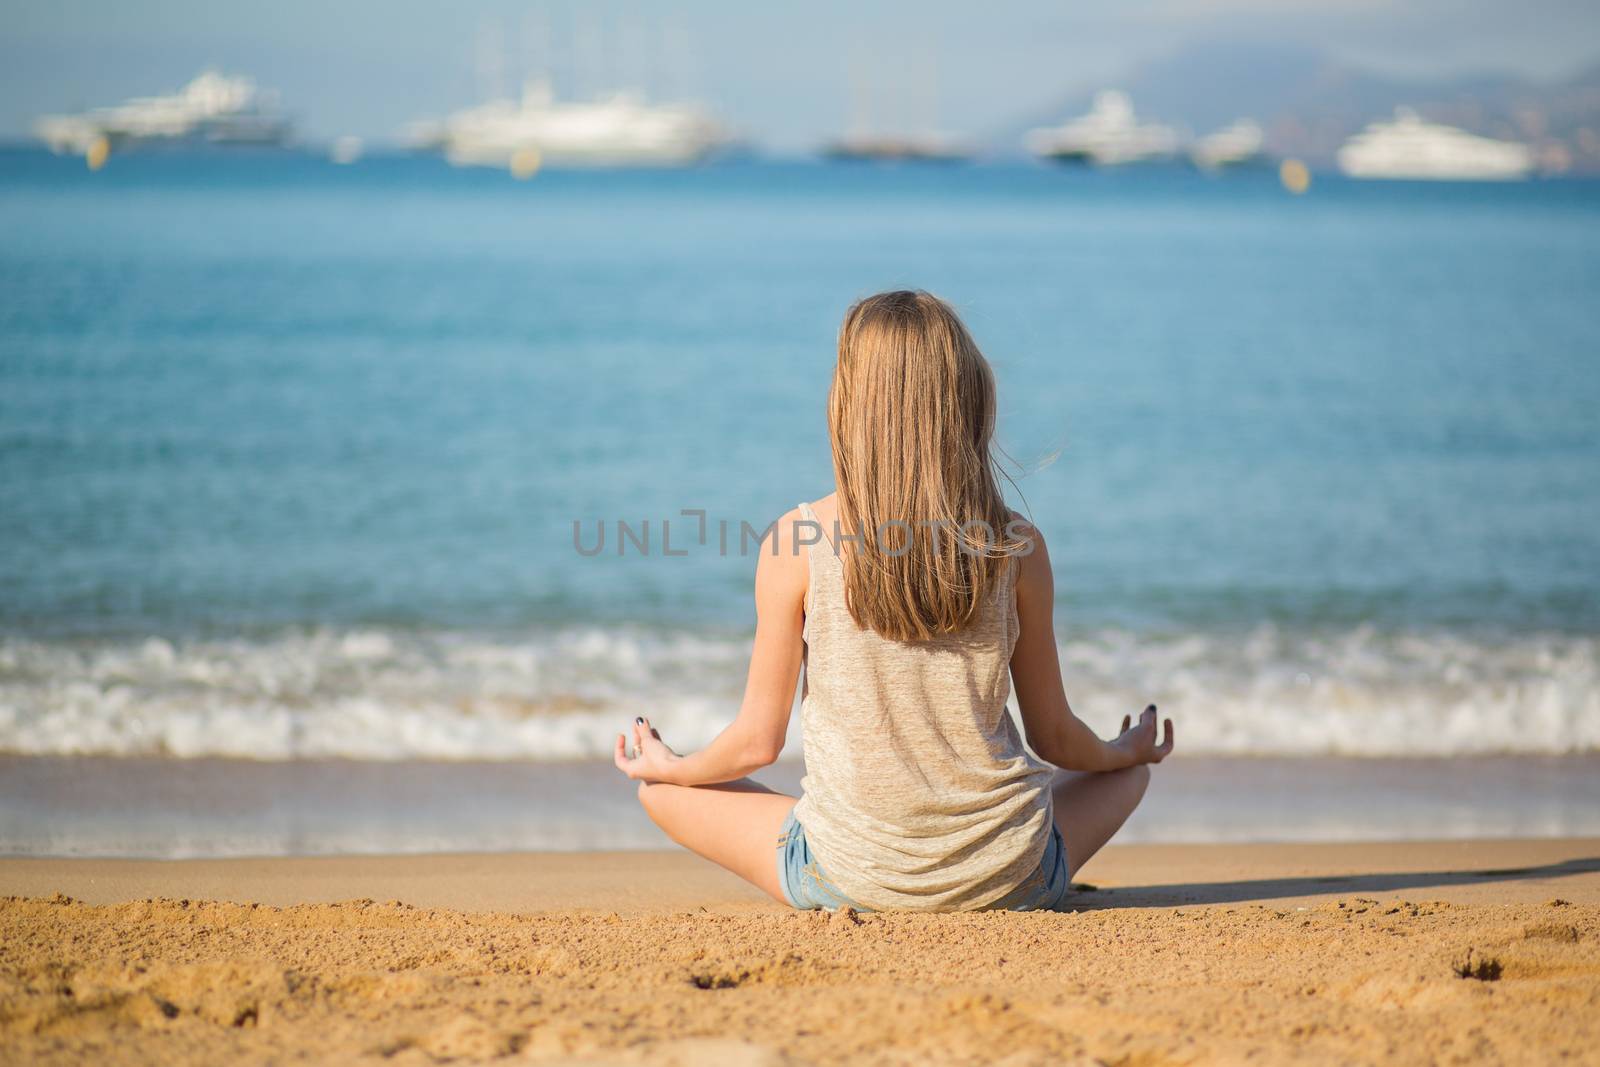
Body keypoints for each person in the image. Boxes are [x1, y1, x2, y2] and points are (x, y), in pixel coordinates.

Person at [614, 289, 1174, 912]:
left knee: (657, 793)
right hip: (1013, 877)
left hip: (852, 878)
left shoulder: (796, 542)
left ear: (847, 403)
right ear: (968, 400)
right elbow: (1057, 738)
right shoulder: (1016, 545)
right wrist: (1127, 751)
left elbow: (756, 744)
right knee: (1129, 776)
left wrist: (671, 765)